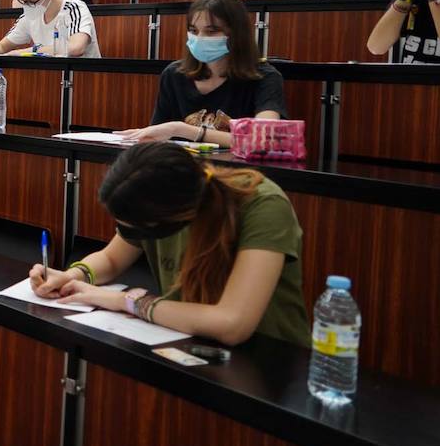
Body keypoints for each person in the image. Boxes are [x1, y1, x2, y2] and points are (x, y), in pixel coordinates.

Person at [31, 142, 309, 347]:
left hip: (269, 357)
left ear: (176, 215)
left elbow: (232, 323)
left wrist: (124, 301)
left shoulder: (262, 205)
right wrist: (73, 275)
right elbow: (113, 259)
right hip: (186, 336)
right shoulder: (158, 198)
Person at [117, 0, 284, 147]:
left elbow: (264, 140)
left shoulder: (264, 77)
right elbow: (158, 135)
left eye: (211, 32)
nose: (199, 38)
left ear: (236, 34)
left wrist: (182, 129)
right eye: (193, 31)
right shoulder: (174, 74)